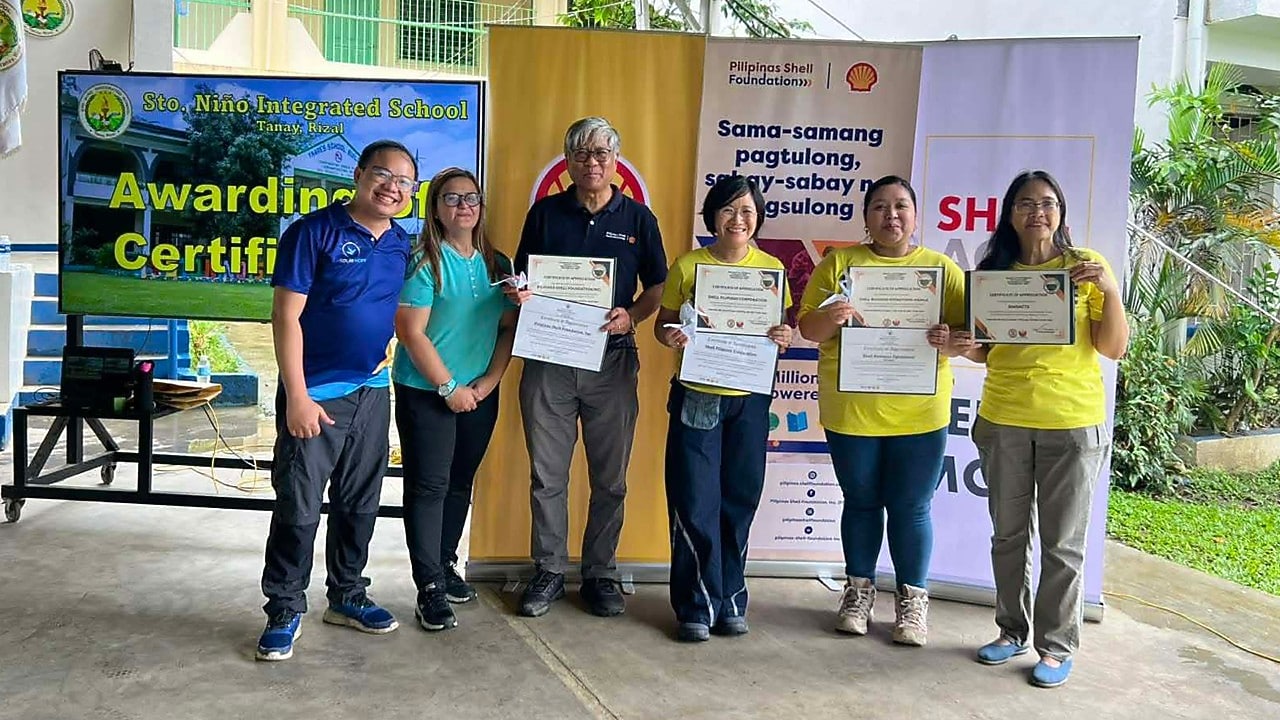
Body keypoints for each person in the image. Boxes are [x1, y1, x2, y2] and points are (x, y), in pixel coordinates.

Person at [256, 140, 416, 661]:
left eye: (404, 182)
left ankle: (347, 596)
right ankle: (284, 607)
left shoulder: (400, 243)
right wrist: (296, 397)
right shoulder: (312, 232)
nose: (392, 187)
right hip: (315, 394)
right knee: (300, 505)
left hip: (372, 389)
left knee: (360, 502)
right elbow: (286, 317)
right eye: (382, 175)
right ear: (359, 174)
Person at [797, 175, 973, 647]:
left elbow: (972, 343)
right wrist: (830, 317)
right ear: (866, 217)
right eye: (879, 206)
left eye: (900, 206)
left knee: (913, 507)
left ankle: (912, 603)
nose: (890, 215)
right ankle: (857, 593)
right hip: (853, 408)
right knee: (860, 501)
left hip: (920, 411)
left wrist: (952, 342)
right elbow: (808, 329)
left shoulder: (942, 270)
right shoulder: (839, 265)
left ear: (915, 216)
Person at [967, 170, 1127, 688]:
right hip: (1004, 419)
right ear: (1009, 213)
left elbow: (1113, 348)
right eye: (1025, 203)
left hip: (1072, 423)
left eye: (1048, 202)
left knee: (1063, 545)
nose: (1037, 211)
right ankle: (1010, 630)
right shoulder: (993, 271)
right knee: (1008, 536)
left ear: (1060, 212)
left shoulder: (1086, 269)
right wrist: (958, 345)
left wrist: (1109, 289)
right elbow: (985, 349)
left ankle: (1056, 647)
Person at [508, 116, 667, 618]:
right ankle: (550, 570)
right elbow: (522, 277)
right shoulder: (545, 213)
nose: (592, 161)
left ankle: (601, 573)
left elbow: (658, 289)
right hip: (550, 361)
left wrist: (632, 315)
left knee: (610, 478)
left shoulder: (639, 219)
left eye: (601, 153)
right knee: (546, 475)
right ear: (568, 162)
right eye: (581, 154)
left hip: (612, 364)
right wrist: (520, 294)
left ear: (615, 160)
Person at [655, 176, 792, 642]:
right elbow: (662, 325)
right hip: (698, 395)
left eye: (748, 211)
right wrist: (672, 334)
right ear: (713, 215)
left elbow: (780, 330)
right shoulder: (689, 266)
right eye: (730, 210)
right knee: (694, 501)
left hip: (750, 399)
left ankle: (731, 597)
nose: (739, 220)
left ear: (758, 219)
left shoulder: (772, 269)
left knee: (740, 499)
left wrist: (783, 337)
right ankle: (696, 604)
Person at [393, 168, 517, 632]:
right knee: (428, 486)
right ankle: (428, 587)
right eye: (452, 199)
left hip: (480, 393)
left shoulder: (497, 264)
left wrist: (488, 382)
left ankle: (445, 565)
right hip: (427, 392)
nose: (463, 206)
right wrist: (449, 387)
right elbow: (409, 331)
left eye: (472, 198)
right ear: (435, 208)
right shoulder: (425, 260)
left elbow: (508, 328)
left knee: (460, 482)